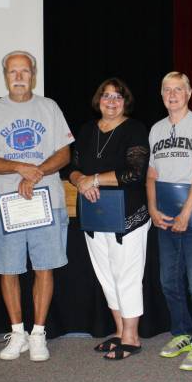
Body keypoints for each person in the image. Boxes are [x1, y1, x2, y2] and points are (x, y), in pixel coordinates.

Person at [0, 50, 73, 361]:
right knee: (9, 268)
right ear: (5, 75)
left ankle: (38, 334)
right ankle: (17, 332)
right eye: (12, 71)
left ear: (33, 73)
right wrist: (21, 167)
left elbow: (64, 154)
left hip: (47, 200)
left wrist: (37, 173)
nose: (18, 76)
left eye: (24, 71)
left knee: (44, 266)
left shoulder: (49, 107)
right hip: (8, 202)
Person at [66, 78, 149, 360]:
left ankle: (132, 336)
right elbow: (73, 168)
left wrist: (95, 179)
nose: (111, 101)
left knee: (127, 276)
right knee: (106, 277)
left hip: (128, 217)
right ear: (98, 100)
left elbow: (134, 172)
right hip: (95, 217)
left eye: (117, 97)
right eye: (106, 96)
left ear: (125, 102)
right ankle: (119, 330)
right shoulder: (87, 130)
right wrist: (80, 182)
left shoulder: (135, 129)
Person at [146, 72, 192, 371]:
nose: (172, 94)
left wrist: (187, 214)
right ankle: (182, 334)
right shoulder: (157, 129)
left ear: (189, 93)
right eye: (166, 90)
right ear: (161, 95)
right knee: (168, 281)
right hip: (165, 218)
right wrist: (151, 209)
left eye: (178, 89)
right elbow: (152, 175)